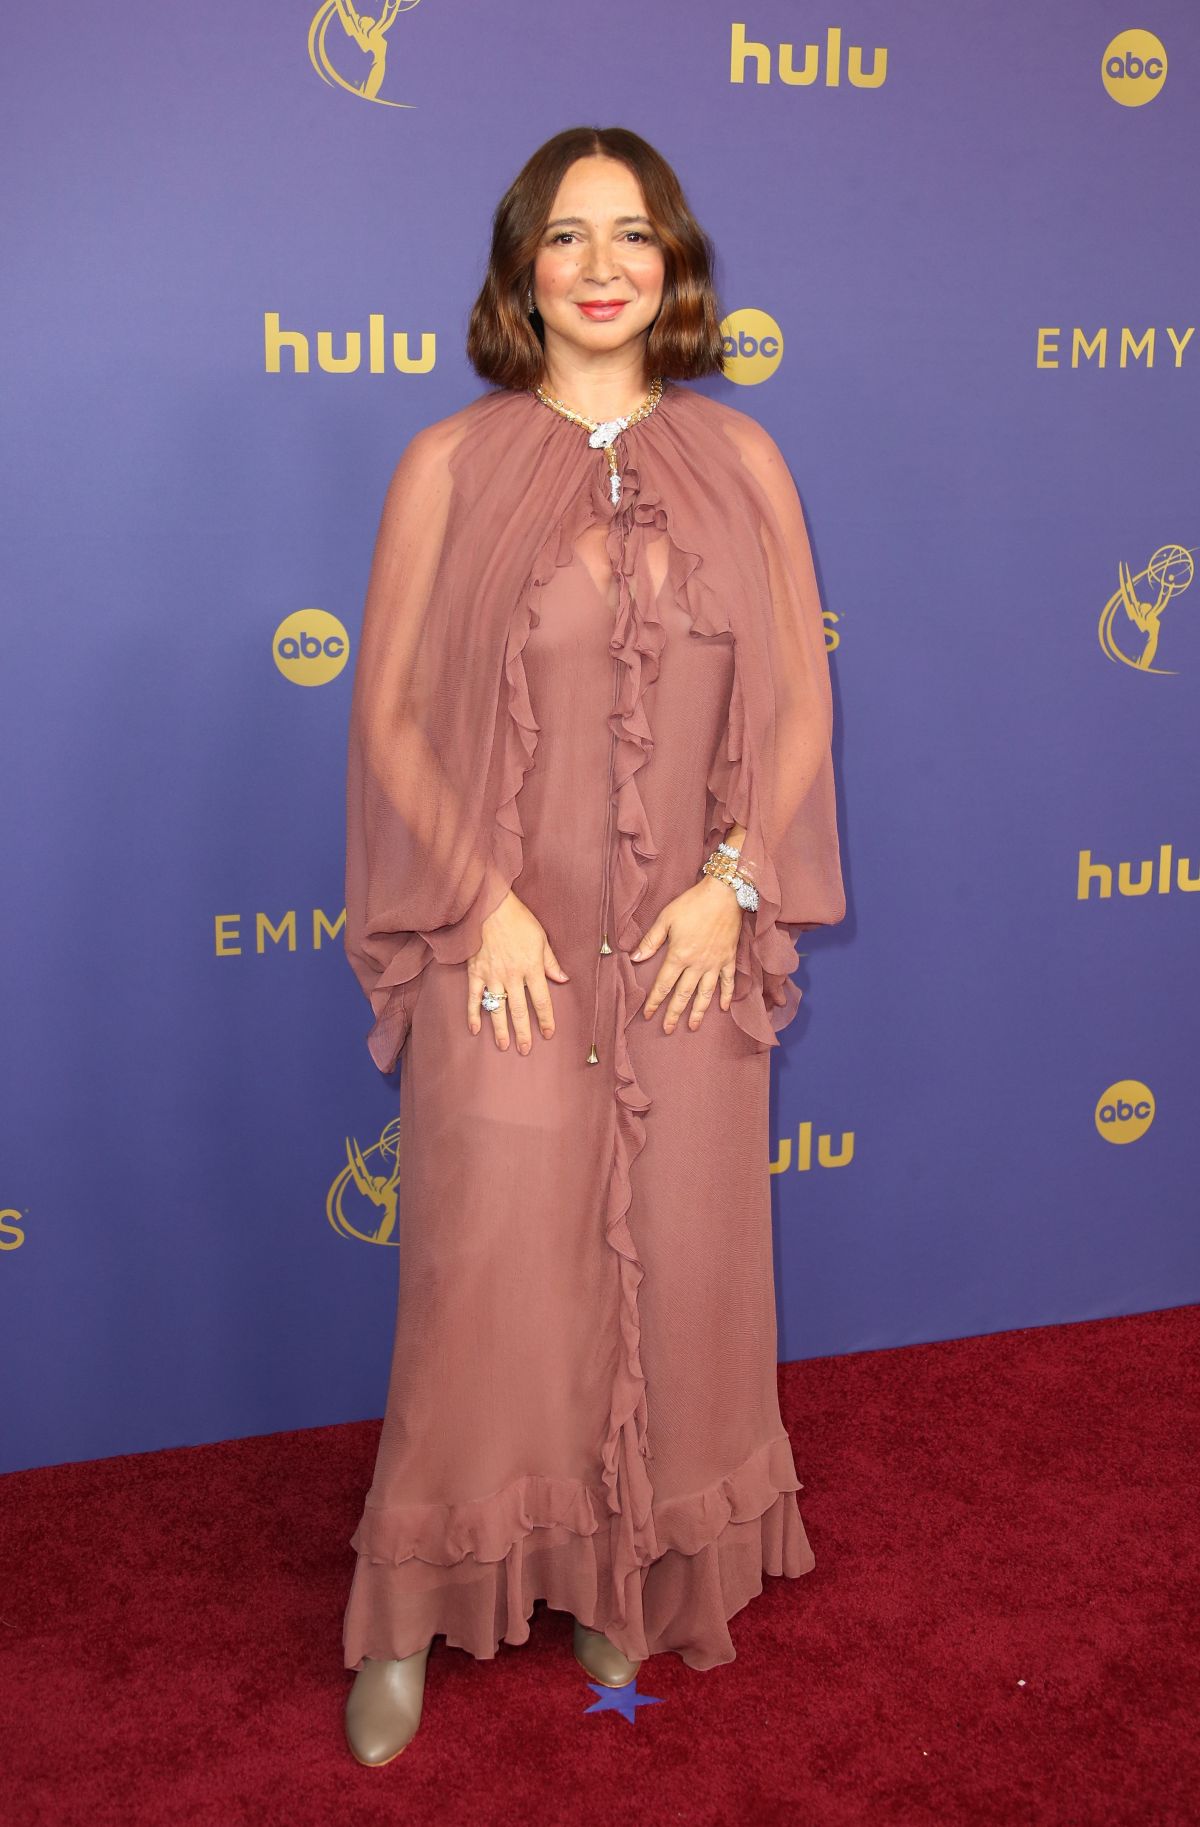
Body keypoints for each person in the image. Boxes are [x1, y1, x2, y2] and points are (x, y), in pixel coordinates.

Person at [340, 123, 846, 1767]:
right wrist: (476, 896)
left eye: (637, 233)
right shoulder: (447, 465)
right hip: (507, 947)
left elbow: (794, 706)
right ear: (522, 271)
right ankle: (411, 1609)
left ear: (676, 266)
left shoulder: (746, 462)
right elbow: (394, 709)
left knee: (675, 1267)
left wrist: (736, 878)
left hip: (687, 950)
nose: (607, 263)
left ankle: (621, 1576)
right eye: (570, 236)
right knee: (484, 1280)